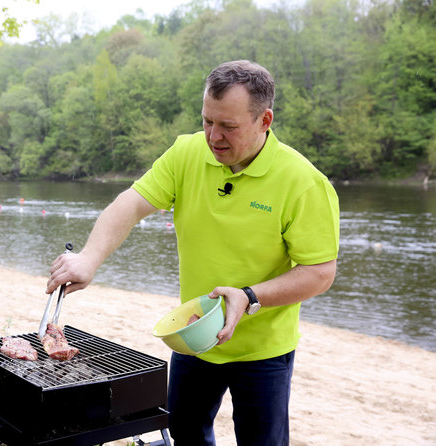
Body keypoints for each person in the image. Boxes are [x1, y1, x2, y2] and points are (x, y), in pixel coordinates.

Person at [46, 60, 339, 445]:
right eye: (207, 121)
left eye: (229, 127)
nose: (214, 137)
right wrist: (89, 258)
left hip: (263, 350)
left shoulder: (303, 182)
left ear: (264, 120)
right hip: (193, 336)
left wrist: (249, 296)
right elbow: (130, 204)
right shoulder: (186, 153)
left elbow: (320, 272)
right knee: (184, 435)